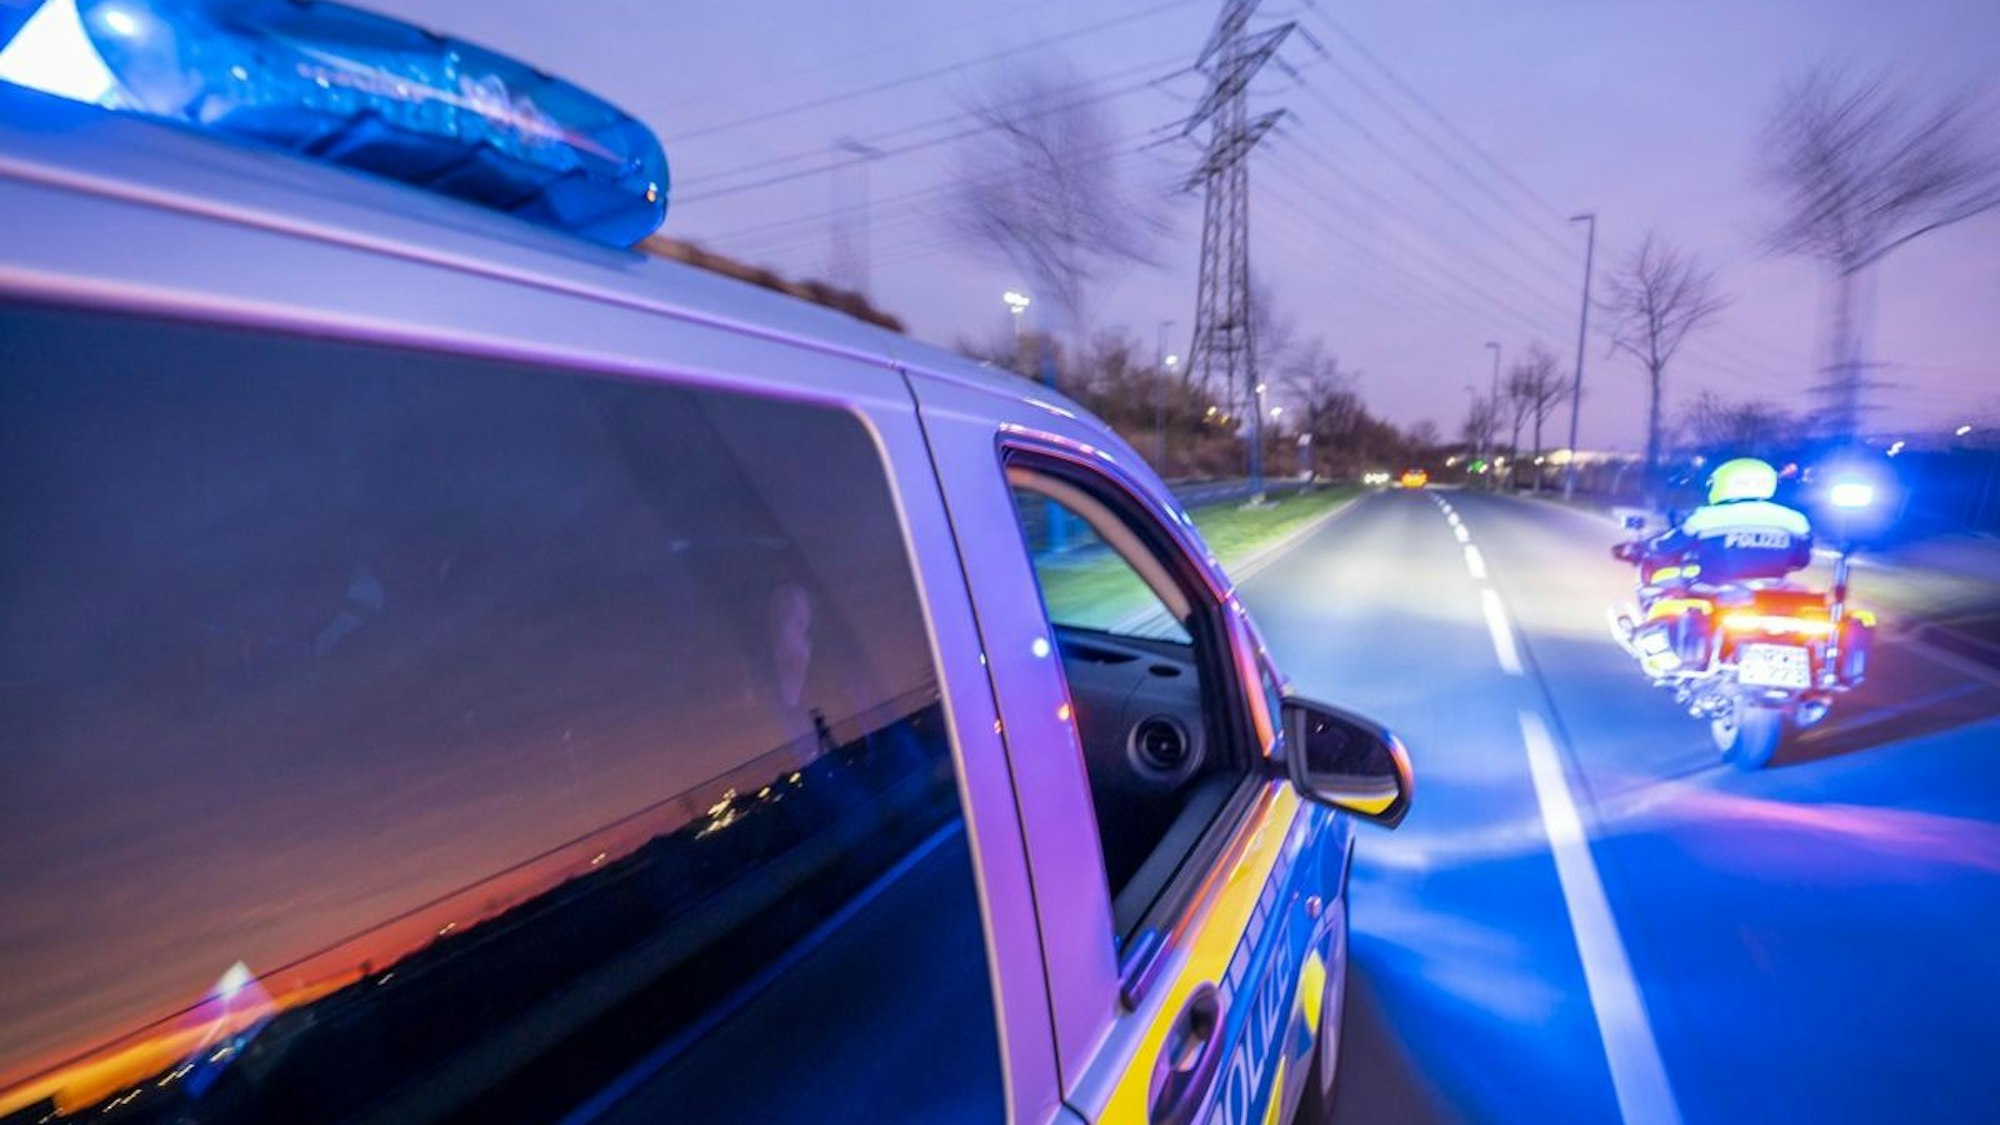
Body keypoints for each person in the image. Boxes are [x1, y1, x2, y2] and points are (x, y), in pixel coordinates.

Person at [1640, 457, 1813, 591]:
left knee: (1662, 591)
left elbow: (1668, 546)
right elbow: (1801, 561)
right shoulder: (1796, 520)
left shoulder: (1706, 517)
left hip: (1714, 591)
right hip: (1771, 592)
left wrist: (1646, 547)